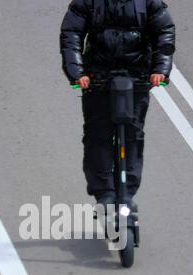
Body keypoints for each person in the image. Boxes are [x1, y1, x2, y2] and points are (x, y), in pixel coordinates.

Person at [60, 0, 176, 209]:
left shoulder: (149, 2)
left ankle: (127, 192)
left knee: (133, 135)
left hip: (137, 77)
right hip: (98, 78)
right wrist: (78, 73)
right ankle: (104, 193)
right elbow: (71, 35)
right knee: (97, 135)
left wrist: (160, 69)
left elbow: (164, 33)